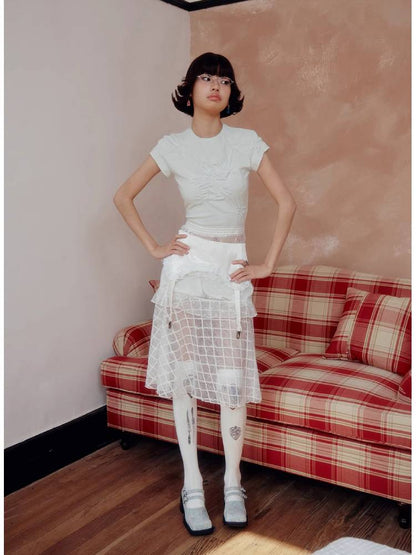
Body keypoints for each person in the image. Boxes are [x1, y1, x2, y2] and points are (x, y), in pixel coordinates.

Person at [113, 52, 297, 536]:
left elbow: (287, 202)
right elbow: (122, 196)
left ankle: (233, 483)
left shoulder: (247, 142)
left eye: (225, 80)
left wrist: (267, 264)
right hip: (187, 271)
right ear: (190, 89)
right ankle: (192, 484)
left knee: (232, 380)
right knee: (187, 378)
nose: (216, 86)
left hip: (230, 272)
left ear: (231, 93)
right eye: (207, 78)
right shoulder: (171, 146)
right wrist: (155, 247)